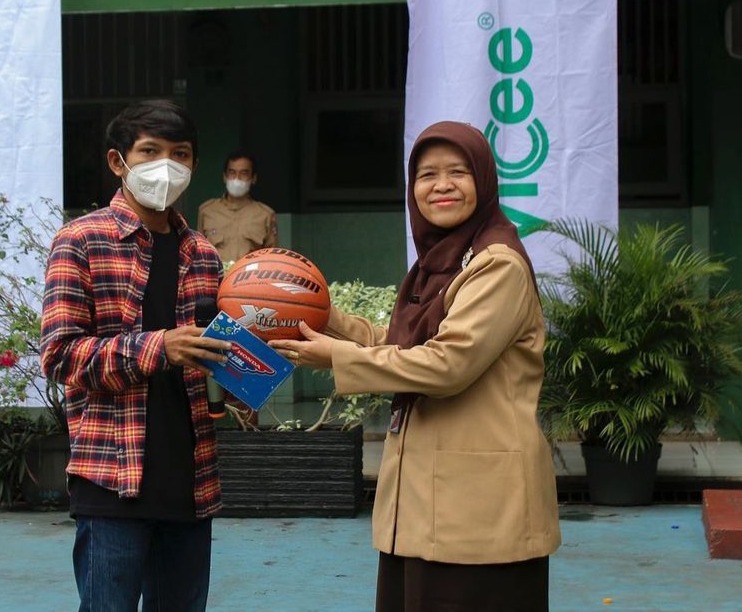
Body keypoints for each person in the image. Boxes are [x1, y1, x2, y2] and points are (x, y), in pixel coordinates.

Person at [270, 121, 561, 612]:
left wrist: (337, 358)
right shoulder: (442, 263)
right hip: (427, 506)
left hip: (481, 511)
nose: (441, 185)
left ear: (484, 181)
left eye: (458, 172)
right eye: (427, 175)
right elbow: (405, 344)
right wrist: (317, 314)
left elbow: (447, 364)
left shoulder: (497, 264)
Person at [39, 100, 232, 612]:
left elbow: (217, 359)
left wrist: (250, 376)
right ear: (117, 162)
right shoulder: (80, 241)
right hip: (111, 476)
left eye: (180, 153)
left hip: (191, 479)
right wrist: (158, 345)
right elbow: (60, 356)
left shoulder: (206, 256)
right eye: (150, 151)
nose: (165, 165)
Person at [196, 151, 277, 262]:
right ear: (225, 177)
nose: (237, 178)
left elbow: (272, 259)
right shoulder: (207, 210)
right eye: (232, 172)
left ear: (253, 178)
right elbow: (199, 254)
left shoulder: (265, 214)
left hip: (250, 278)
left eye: (244, 173)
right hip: (216, 278)